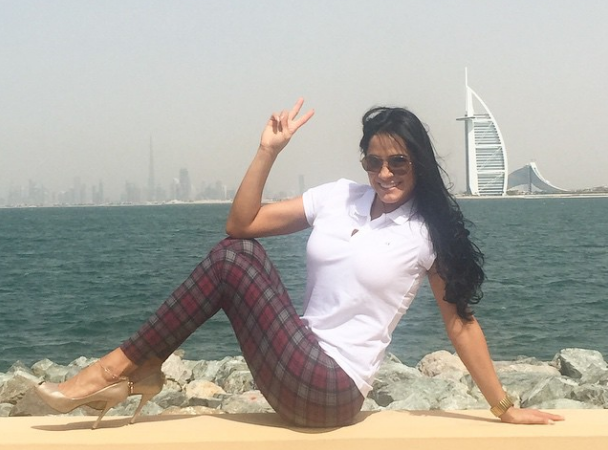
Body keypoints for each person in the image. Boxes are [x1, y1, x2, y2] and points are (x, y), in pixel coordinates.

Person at [36, 98, 563, 428]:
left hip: (333, 390)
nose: (384, 173)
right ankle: (134, 368)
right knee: (236, 250)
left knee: (235, 260)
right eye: (374, 160)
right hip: (294, 363)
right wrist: (268, 150)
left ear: (418, 162)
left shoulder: (428, 234)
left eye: (398, 161)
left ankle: (113, 371)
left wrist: (503, 407)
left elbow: (461, 325)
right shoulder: (339, 196)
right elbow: (241, 223)